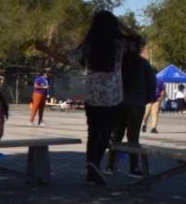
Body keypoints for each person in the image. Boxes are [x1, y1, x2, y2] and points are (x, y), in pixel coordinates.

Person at [38, 12, 139, 185]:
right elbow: (140, 40)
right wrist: (121, 24)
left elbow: (66, 59)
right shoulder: (119, 44)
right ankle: (94, 165)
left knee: (93, 132)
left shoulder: (88, 46)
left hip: (92, 94)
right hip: (112, 96)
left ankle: (91, 168)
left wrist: (46, 49)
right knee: (106, 132)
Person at [107, 39, 155, 176]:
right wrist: (146, 99)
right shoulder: (144, 64)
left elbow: (111, 82)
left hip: (119, 103)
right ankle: (134, 168)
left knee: (116, 136)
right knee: (133, 137)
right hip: (136, 103)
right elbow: (152, 84)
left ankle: (110, 166)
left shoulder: (119, 63)